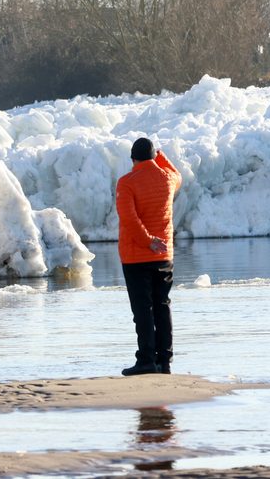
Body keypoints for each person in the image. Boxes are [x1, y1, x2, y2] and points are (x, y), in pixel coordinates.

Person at [116, 137, 182, 376]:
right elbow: (177, 174)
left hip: (136, 257)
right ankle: (164, 361)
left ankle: (146, 360)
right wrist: (161, 157)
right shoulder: (167, 179)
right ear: (154, 157)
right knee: (162, 306)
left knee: (143, 310)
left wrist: (147, 241)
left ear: (133, 159)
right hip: (164, 256)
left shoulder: (126, 183)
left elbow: (129, 219)